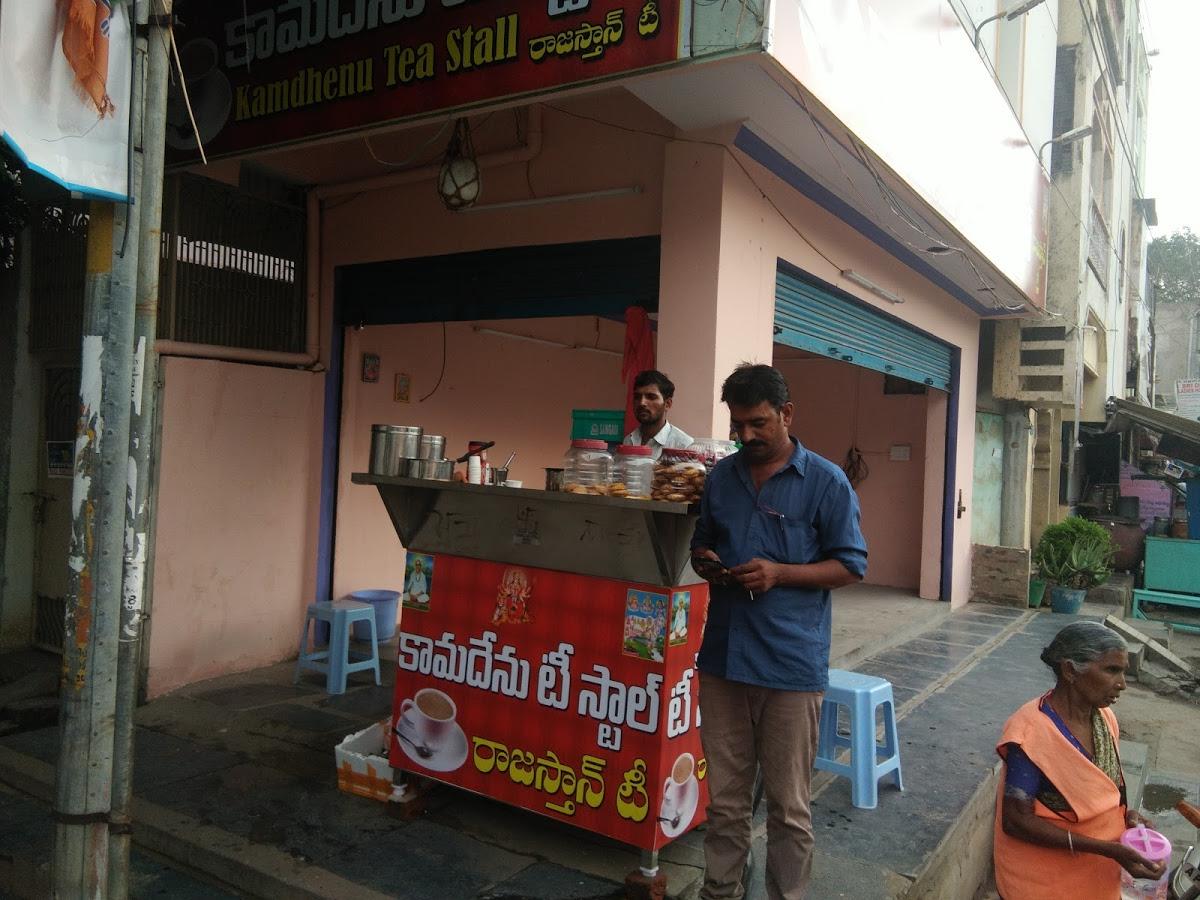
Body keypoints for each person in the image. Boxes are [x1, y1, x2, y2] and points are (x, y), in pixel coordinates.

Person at [691, 363, 867, 900]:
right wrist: (707, 562)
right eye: (737, 425)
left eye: (758, 423)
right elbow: (701, 544)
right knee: (724, 803)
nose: (746, 436)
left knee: (789, 809)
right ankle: (720, 891)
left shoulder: (826, 482)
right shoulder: (722, 477)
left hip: (790, 667)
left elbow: (851, 565)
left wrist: (780, 573)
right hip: (723, 658)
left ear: (787, 414)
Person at [993, 622, 1165, 899]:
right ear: (1071, 670)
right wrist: (1106, 848)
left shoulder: (1104, 719)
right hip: (1044, 882)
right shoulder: (1030, 732)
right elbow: (1015, 821)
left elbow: (1105, 788)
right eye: (1112, 670)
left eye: (1122, 672)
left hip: (1098, 873)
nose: (1122, 684)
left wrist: (1128, 817)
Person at [623, 369, 693, 459]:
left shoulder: (684, 446)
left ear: (667, 404)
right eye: (637, 397)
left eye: (651, 397)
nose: (642, 403)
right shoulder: (629, 440)